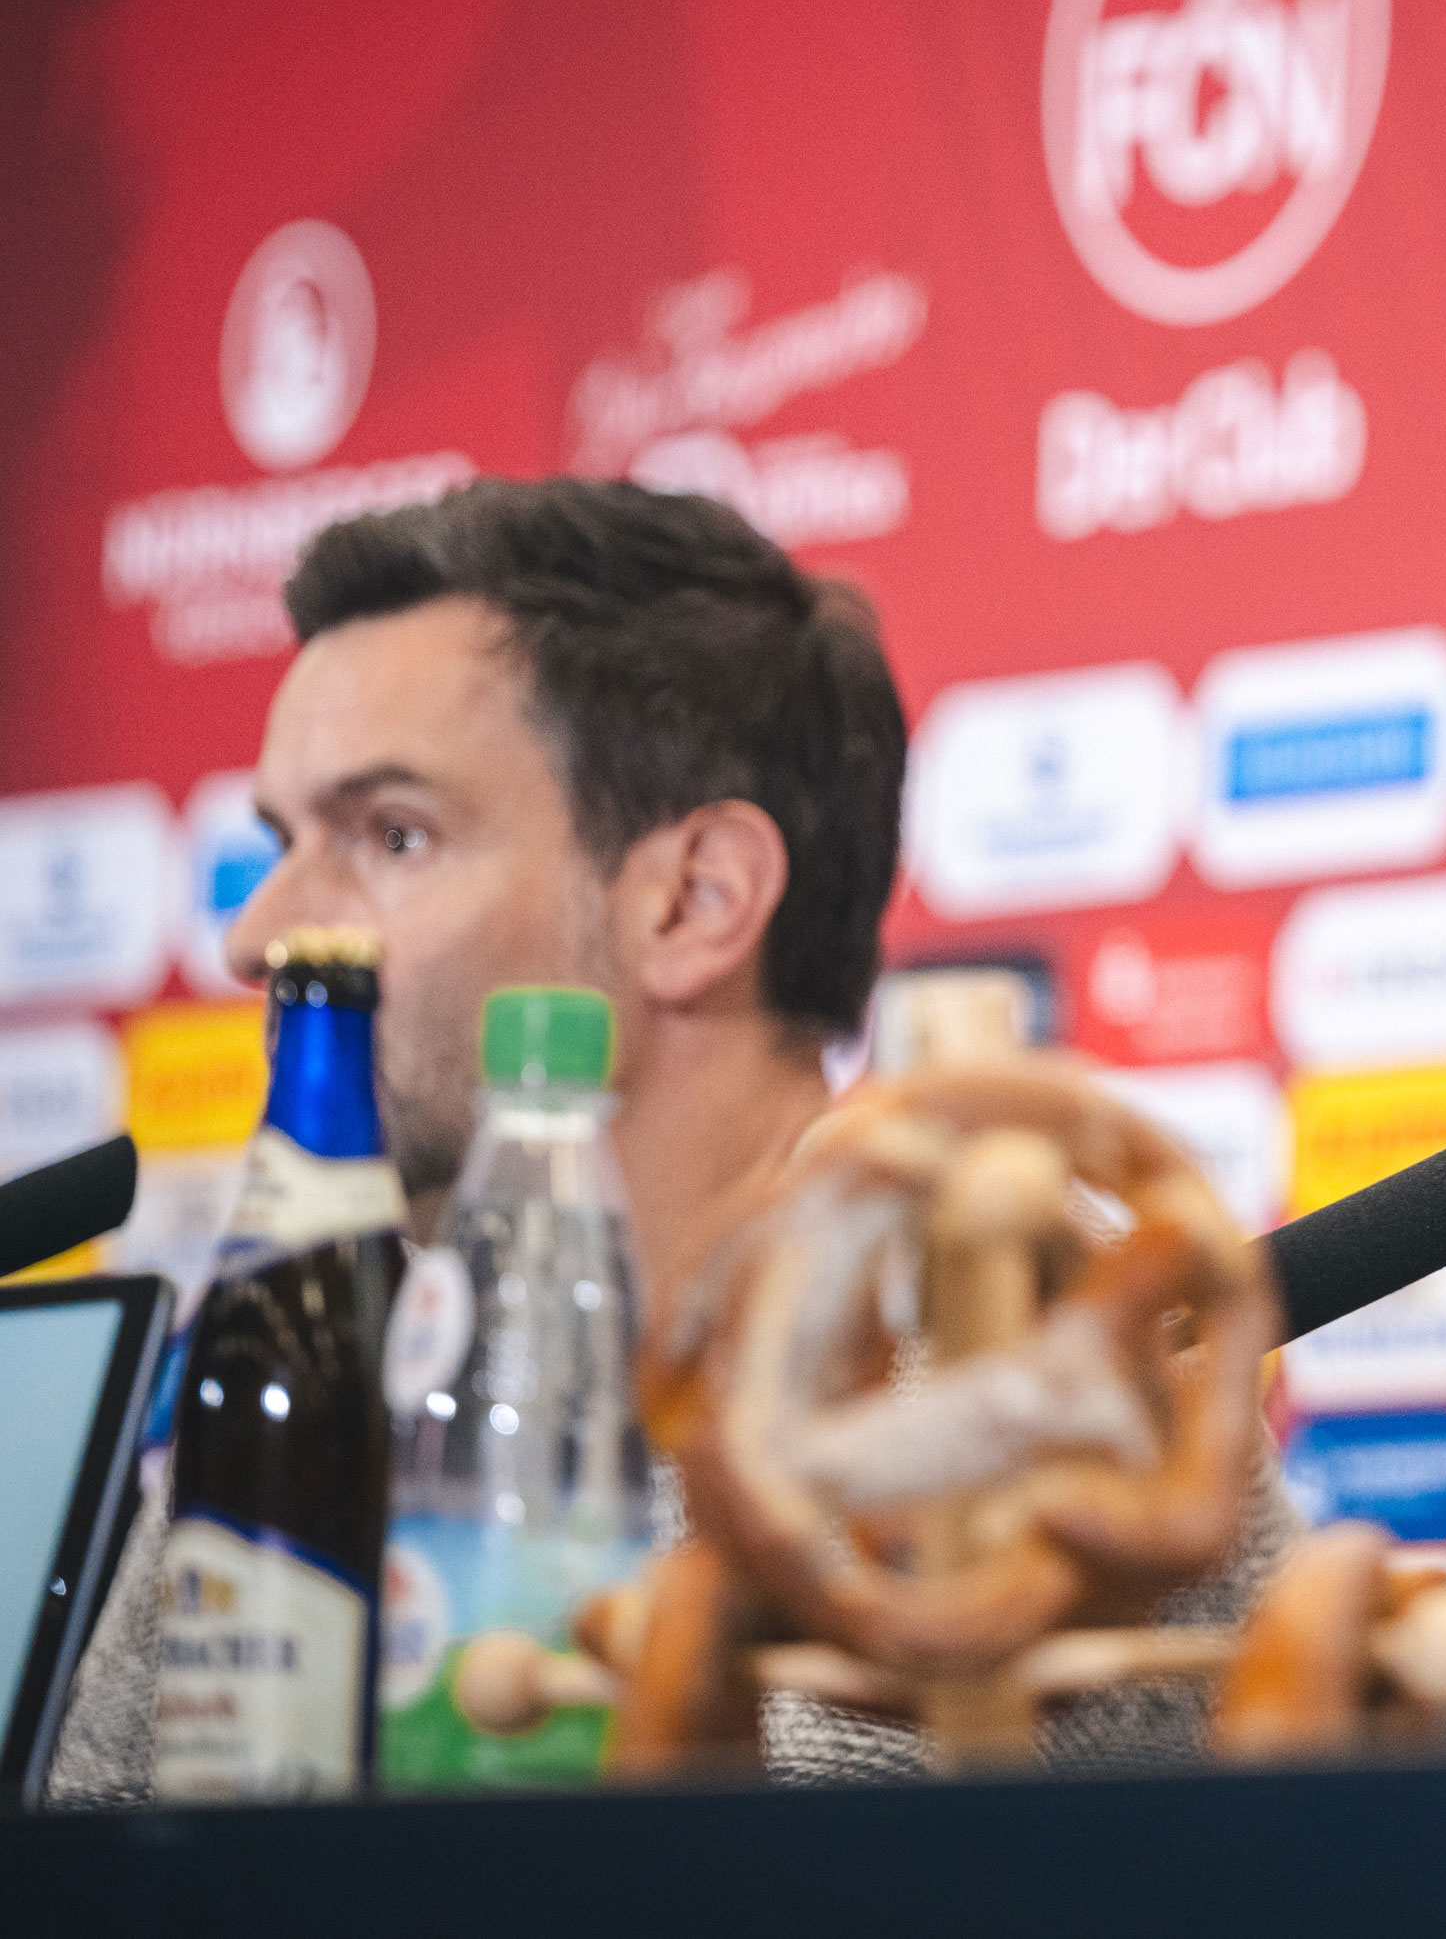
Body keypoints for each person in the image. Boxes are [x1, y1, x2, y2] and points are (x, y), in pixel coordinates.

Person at [52, 478, 1292, 1801]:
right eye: (281, 843)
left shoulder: (1008, 1373)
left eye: (390, 834)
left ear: (695, 901)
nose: (258, 940)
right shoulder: (300, 1369)